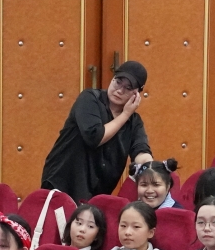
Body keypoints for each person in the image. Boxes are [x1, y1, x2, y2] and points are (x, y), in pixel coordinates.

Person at [40, 60, 154, 202]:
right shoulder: (89, 98)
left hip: (97, 192)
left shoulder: (134, 122)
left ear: (137, 94)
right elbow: (94, 137)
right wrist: (125, 114)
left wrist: (150, 167)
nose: (120, 90)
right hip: (63, 181)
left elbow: (141, 150)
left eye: (128, 87)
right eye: (118, 82)